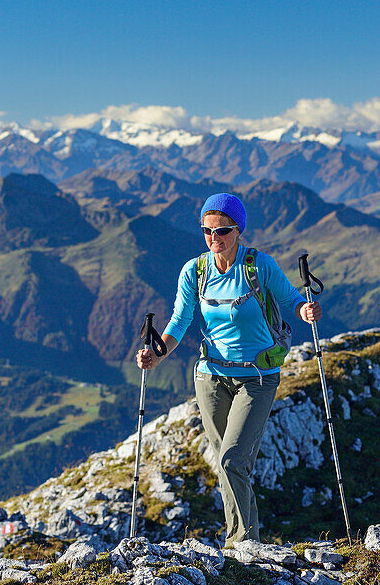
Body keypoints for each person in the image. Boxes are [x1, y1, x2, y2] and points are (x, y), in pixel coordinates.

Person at [135, 192, 322, 547]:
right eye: (207, 231)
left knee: (233, 460)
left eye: (222, 231)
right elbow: (180, 320)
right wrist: (158, 354)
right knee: (226, 463)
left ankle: (239, 544)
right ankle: (248, 541)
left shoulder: (259, 266)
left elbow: (290, 299)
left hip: (258, 377)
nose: (213, 238)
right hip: (210, 376)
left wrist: (305, 311)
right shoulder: (195, 271)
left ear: (238, 230)